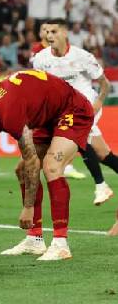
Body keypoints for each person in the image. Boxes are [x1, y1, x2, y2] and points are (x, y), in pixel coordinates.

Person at [0, 69, 94, 261]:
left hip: (73, 110)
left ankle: (61, 244)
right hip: (49, 117)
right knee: (21, 171)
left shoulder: (10, 111)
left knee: (51, 166)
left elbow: (32, 160)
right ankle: (35, 239)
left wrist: (28, 207)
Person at [32, 19, 115, 206]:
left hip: (88, 105)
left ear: (65, 33)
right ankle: (101, 184)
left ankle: (101, 186)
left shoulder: (82, 57)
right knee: (103, 154)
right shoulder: (41, 59)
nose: (49, 35)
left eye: (54, 31)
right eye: (47, 32)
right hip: (65, 110)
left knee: (77, 137)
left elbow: (105, 84)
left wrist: (98, 103)